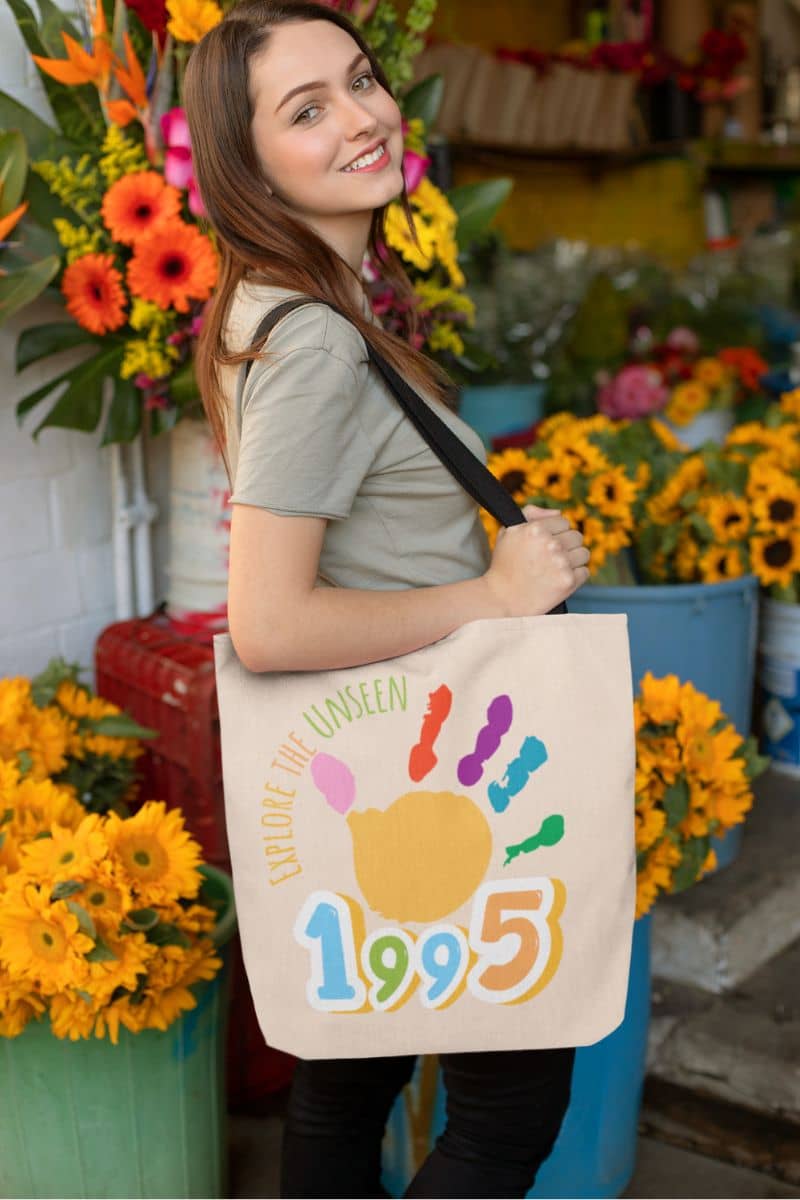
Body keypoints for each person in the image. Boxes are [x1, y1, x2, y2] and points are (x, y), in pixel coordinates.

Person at [184, 3, 590, 1196]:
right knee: (507, 1111)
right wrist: (493, 590)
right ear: (245, 162)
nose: (363, 116)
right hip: (426, 773)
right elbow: (268, 623)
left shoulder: (291, 310)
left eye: (360, 81)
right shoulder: (311, 339)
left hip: (380, 768)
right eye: (306, 110)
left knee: (347, 1083)